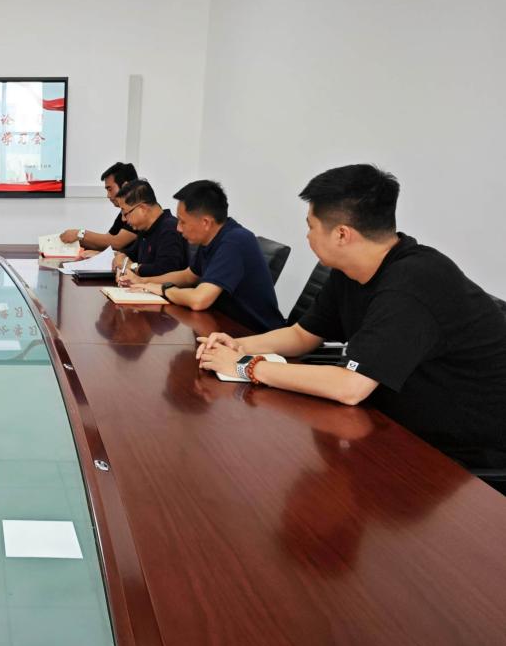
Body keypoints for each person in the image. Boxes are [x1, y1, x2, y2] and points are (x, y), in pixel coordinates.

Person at [196, 164, 506, 478]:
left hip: (459, 457)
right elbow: (302, 335)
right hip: (390, 424)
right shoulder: (351, 272)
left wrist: (246, 366)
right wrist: (237, 345)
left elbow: (350, 387)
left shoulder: (413, 283)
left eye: (311, 226)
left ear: (342, 234)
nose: (307, 236)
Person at [120, 179, 285, 332]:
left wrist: (165, 290)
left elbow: (199, 300)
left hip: (254, 335)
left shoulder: (235, 241)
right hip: (222, 325)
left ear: (205, 222)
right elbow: (188, 276)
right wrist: (143, 282)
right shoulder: (211, 239)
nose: (178, 228)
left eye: (182, 222)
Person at [110, 179, 189, 280]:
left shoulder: (170, 229)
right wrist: (121, 256)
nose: (123, 219)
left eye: (125, 213)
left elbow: (166, 270)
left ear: (143, 209)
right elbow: (131, 254)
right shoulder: (145, 229)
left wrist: (133, 267)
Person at [59, 161, 139, 253]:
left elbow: (117, 242)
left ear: (125, 186)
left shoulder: (137, 211)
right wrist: (78, 242)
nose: (108, 196)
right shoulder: (124, 212)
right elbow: (107, 241)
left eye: (110, 189)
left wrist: (80, 234)